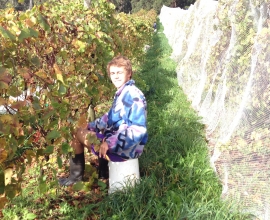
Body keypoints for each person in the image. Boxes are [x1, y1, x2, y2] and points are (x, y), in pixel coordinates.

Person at [59, 55, 148, 186]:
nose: (116, 76)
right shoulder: (123, 92)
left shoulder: (132, 95)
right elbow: (109, 118)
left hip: (125, 150)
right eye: (112, 73)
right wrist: (90, 126)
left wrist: (110, 143)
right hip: (123, 146)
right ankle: (103, 172)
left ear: (129, 74)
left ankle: (75, 178)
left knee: (76, 134)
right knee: (87, 130)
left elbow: (137, 130)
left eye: (119, 72)